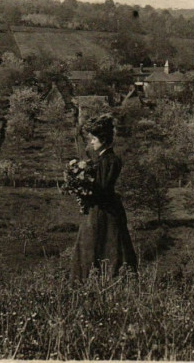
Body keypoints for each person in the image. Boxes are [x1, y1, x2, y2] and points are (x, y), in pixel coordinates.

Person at [71, 114, 138, 280]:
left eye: (94, 139)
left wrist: (85, 191)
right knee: (92, 248)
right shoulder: (101, 160)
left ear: (103, 139)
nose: (92, 142)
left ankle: (100, 283)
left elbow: (102, 188)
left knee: (103, 247)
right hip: (101, 208)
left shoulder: (109, 161)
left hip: (105, 212)